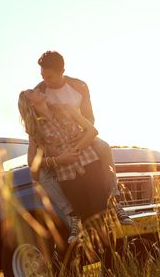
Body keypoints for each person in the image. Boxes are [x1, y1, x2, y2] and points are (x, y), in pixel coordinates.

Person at [33, 50, 133, 225]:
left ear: (61, 72)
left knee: (104, 147)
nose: (45, 81)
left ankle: (116, 200)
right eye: (43, 76)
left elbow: (89, 117)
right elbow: (37, 124)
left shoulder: (79, 86)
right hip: (56, 141)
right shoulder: (39, 90)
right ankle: (71, 217)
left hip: (80, 134)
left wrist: (78, 140)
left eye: (50, 77)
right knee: (43, 174)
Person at [18, 88, 110, 242]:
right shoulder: (35, 130)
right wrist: (60, 160)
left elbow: (92, 130)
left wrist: (75, 150)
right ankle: (102, 261)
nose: (37, 90)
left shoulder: (66, 109)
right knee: (88, 221)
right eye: (32, 92)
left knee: (102, 215)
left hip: (90, 164)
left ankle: (110, 264)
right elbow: (31, 162)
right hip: (68, 177)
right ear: (30, 104)